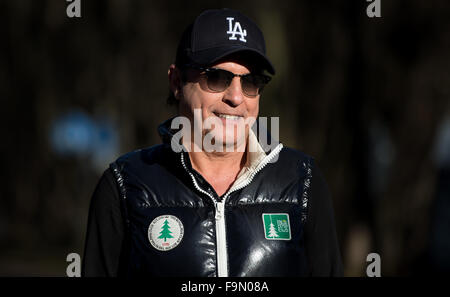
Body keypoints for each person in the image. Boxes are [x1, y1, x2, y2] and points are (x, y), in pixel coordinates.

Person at [82, 8, 343, 277]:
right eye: (217, 78)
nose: (236, 97)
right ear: (176, 81)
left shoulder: (303, 180)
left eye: (251, 81)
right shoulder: (124, 185)